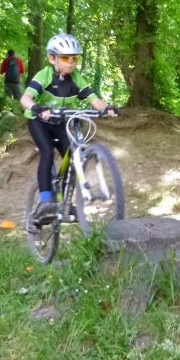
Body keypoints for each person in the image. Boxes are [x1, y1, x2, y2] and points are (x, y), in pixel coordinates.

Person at [20, 33, 120, 222]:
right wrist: (37, 108)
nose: (71, 62)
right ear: (52, 58)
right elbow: (25, 98)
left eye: (74, 58)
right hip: (39, 121)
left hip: (61, 122)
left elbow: (94, 99)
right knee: (47, 152)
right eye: (66, 58)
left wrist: (106, 109)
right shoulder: (44, 76)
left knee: (73, 157)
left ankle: (65, 204)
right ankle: (45, 200)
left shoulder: (76, 78)